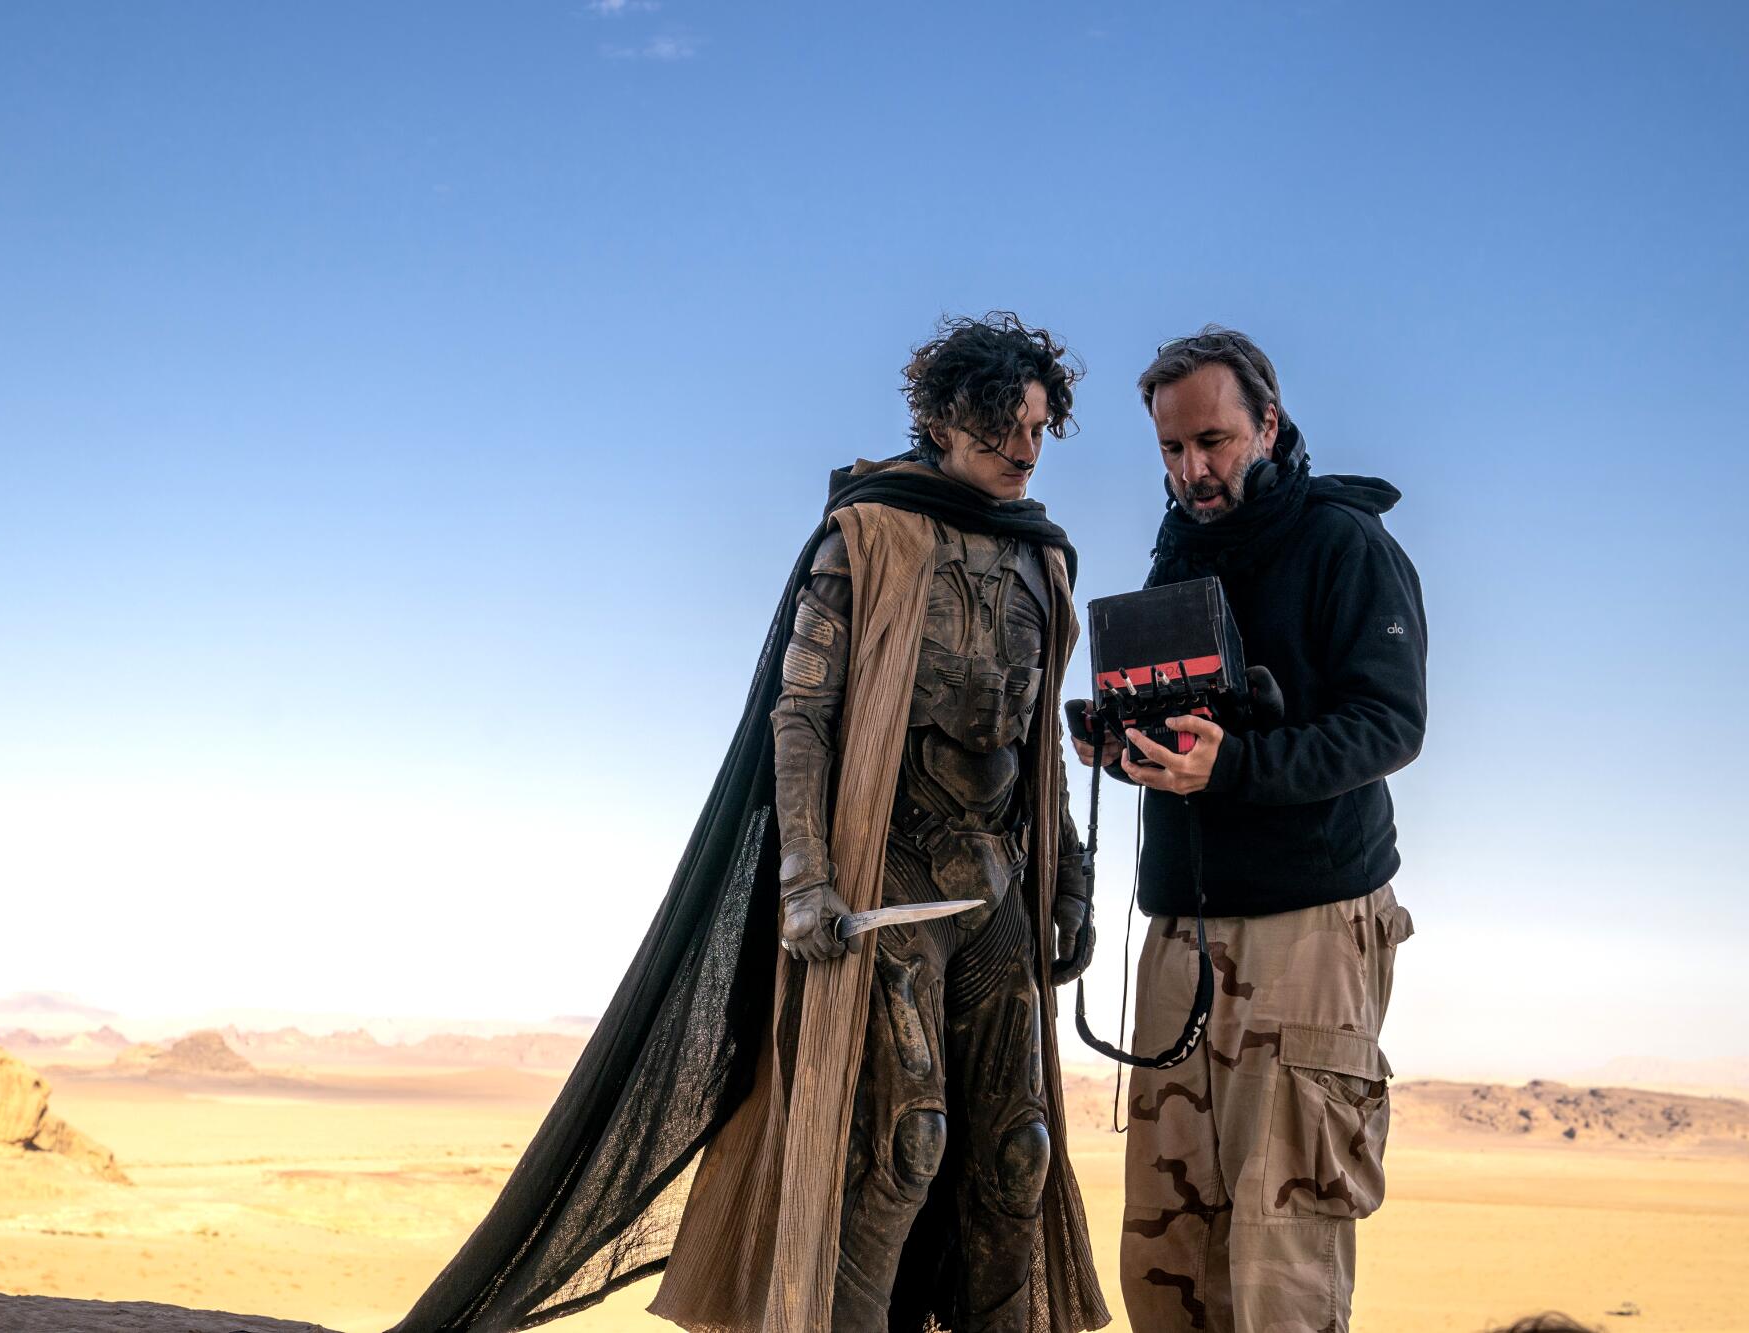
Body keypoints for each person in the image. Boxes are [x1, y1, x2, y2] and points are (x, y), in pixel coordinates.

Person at [398, 314, 1110, 1333]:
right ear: (945, 420)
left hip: (998, 878)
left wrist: (1070, 875)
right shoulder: (867, 534)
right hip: (890, 877)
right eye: (1006, 427)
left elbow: (1038, 743)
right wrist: (806, 880)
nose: (1025, 449)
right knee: (898, 1146)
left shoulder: (1044, 559)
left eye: (1039, 428)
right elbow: (804, 716)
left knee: (1015, 1157)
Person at [1072, 327, 1426, 1333]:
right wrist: (1122, 741)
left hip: (1307, 930)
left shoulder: (1342, 541)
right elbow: (1189, 710)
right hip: (1181, 930)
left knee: (1282, 1265)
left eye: (1214, 442)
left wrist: (1235, 765)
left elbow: (1389, 722)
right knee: (1167, 1254)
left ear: (1266, 423)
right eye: (1171, 451)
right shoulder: (1175, 549)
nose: (1193, 470)